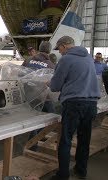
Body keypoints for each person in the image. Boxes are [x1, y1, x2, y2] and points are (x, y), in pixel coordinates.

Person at [49, 36, 100, 180]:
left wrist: (49, 83)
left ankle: (63, 175)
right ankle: (81, 170)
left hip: (74, 104)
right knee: (84, 139)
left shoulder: (66, 59)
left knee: (66, 140)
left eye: (59, 48)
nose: (59, 52)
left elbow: (55, 86)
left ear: (64, 46)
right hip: (91, 104)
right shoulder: (88, 57)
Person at [23, 41, 55, 151]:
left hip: (28, 95)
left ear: (39, 49)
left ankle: (33, 143)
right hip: (42, 96)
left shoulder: (28, 60)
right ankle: (36, 142)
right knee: (50, 115)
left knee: (31, 119)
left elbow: (20, 74)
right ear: (49, 51)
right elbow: (53, 82)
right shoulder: (50, 64)